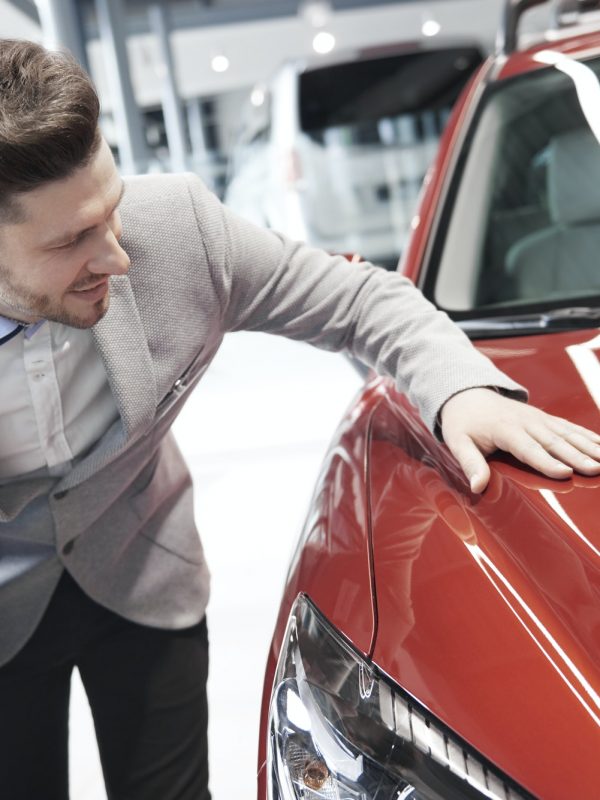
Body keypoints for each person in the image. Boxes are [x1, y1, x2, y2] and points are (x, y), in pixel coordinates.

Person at [0, 39, 598, 800]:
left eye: (110, 210)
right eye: (71, 240)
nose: (117, 255)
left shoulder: (176, 231)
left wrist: (459, 390)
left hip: (141, 573)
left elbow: (358, 299)